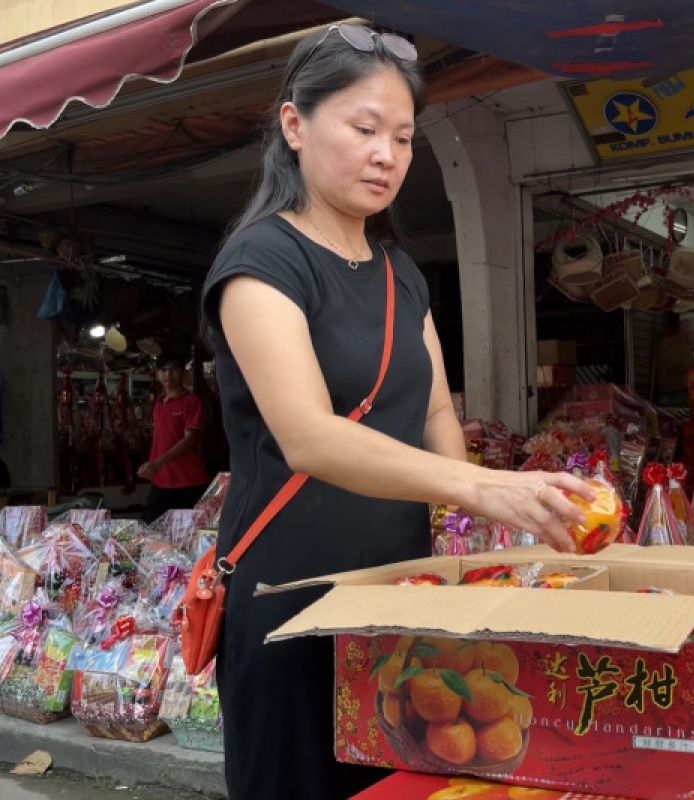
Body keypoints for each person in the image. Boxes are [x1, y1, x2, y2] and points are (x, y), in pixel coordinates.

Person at [200, 24, 593, 800]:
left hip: (396, 597)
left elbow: (437, 416)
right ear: (294, 126)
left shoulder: (399, 274)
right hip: (290, 601)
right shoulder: (258, 264)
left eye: (405, 137)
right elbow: (309, 437)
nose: (387, 154)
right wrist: (478, 490)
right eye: (364, 128)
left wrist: (501, 510)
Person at [139, 355, 210, 522]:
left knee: (189, 533)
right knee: (149, 526)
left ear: (183, 373)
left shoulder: (191, 402)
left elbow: (189, 440)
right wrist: (152, 464)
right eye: (163, 370)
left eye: (173, 369)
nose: (168, 375)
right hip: (162, 480)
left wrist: (157, 463)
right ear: (157, 374)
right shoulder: (158, 403)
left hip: (188, 481)